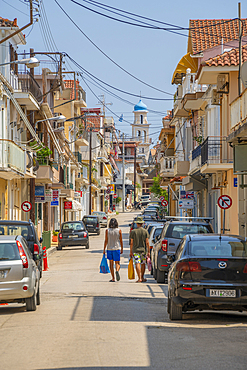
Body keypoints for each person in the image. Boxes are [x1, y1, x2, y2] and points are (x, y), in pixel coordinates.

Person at [129, 216, 150, 283]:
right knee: (143, 263)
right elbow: (147, 242)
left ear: (137, 223)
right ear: (142, 223)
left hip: (135, 250)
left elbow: (131, 243)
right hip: (143, 250)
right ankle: (143, 277)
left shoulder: (133, 232)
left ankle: (139, 278)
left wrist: (130, 251)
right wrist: (148, 251)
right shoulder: (145, 231)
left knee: (137, 263)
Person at [103, 218, 123, 282]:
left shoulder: (107, 231)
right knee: (117, 263)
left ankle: (113, 278)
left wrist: (104, 249)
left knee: (111, 264)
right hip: (116, 248)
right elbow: (121, 240)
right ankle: (117, 270)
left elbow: (106, 240)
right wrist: (122, 248)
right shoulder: (119, 230)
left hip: (109, 249)